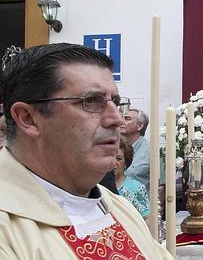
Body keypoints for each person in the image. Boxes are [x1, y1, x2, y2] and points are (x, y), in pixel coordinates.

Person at [0, 43, 171, 258]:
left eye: (115, 102)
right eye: (91, 101)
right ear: (28, 118)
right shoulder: (7, 227)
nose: (116, 119)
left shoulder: (120, 208)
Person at [115, 137, 150, 221]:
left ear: (126, 162)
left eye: (119, 159)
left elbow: (147, 218)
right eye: (110, 157)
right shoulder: (96, 185)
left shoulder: (135, 188)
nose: (113, 162)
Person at [120, 108, 150, 191]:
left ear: (139, 126)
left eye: (127, 119)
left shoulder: (151, 152)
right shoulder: (114, 148)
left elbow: (161, 187)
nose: (121, 122)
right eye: (121, 118)